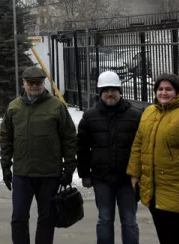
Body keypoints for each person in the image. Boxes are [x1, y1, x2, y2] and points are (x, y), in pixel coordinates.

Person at [127, 73, 179, 244]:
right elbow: (138, 145)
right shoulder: (149, 112)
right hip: (155, 191)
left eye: (169, 89)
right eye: (160, 89)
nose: (163, 93)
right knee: (166, 237)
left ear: (178, 91)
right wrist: (134, 175)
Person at [0, 66, 77, 244]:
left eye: (39, 83)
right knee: (18, 217)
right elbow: (6, 138)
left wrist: (69, 168)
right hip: (22, 174)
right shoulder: (14, 108)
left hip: (49, 174)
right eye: (31, 83)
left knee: (47, 218)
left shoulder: (57, 107)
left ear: (43, 83)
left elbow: (69, 138)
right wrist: (5, 165)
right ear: (24, 83)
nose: (35, 86)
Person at [77, 71, 141, 244]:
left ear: (120, 91)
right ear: (100, 93)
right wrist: (85, 174)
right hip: (102, 179)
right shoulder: (90, 116)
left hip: (128, 180)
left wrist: (140, 174)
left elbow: (142, 148)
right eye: (105, 90)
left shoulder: (135, 116)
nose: (110, 93)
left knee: (130, 221)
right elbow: (82, 147)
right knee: (105, 220)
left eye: (113, 89)